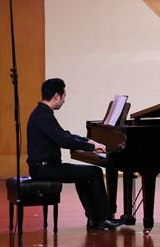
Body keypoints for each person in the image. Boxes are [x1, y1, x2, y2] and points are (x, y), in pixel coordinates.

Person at [26, 78, 120, 230]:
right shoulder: (43, 115)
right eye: (64, 96)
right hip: (44, 169)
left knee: (84, 175)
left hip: (44, 167)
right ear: (57, 96)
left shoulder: (41, 113)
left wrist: (88, 141)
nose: (64, 100)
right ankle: (105, 218)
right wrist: (91, 146)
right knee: (95, 172)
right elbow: (63, 140)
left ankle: (94, 218)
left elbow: (64, 135)